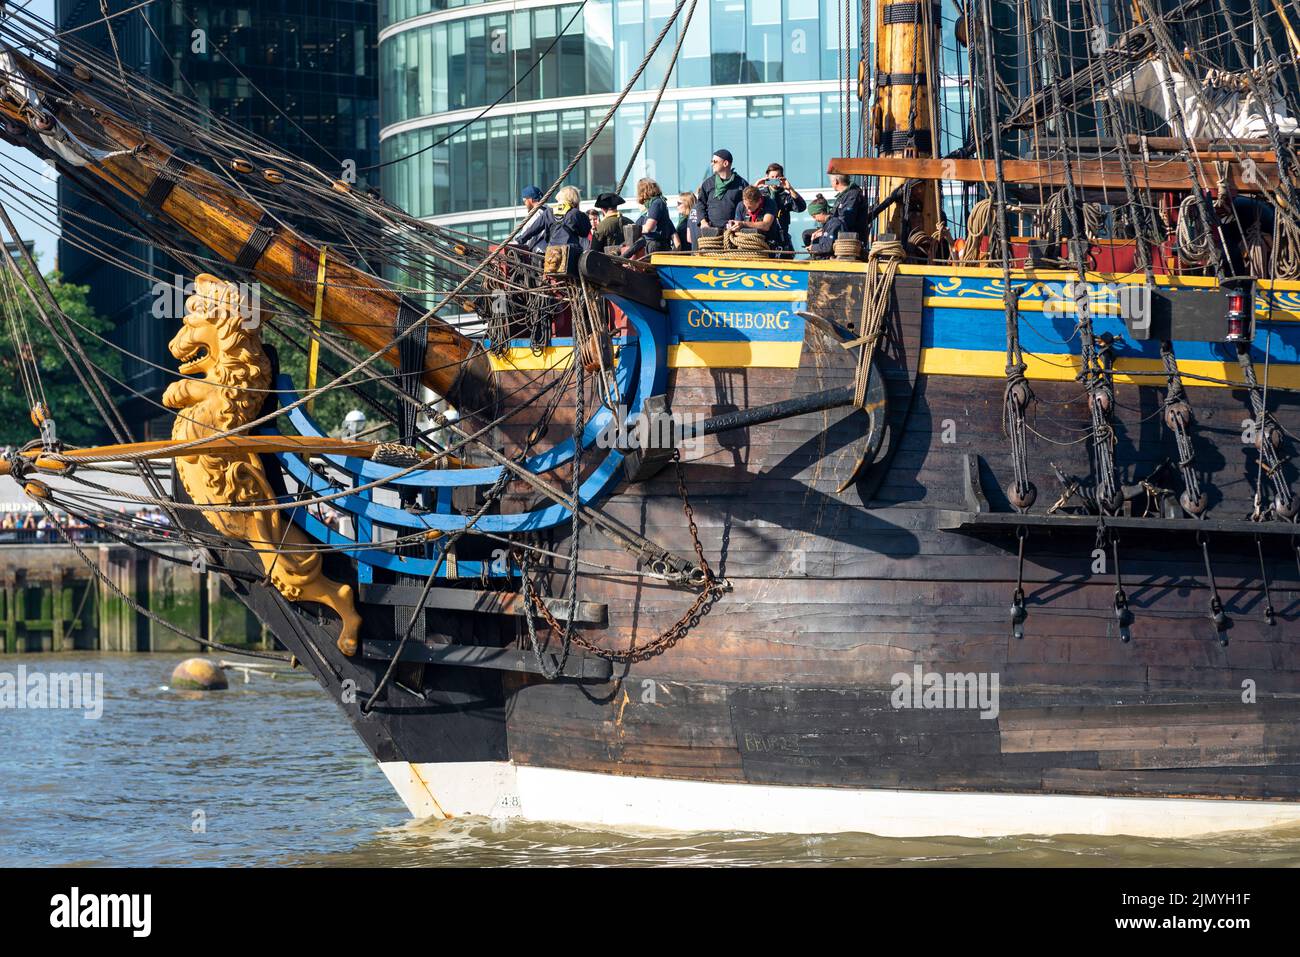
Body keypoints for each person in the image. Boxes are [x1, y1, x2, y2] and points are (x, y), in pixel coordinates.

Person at [695, 148, 748, 244]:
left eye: (714, 161)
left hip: (734, 234)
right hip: (712, 233)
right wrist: (703, 223)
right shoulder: (708, 183)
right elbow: (700, 204)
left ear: (725, 163)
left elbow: (748, 206)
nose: (712, 164)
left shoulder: (742, 183)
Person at [755, 162, 805, 251]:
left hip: (781, 239)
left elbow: (801, 207)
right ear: (767, 177)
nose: (774, 180)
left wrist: (790, 189)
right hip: (762, 239)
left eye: (777, 177)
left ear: (781, 177)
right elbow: (746, 204)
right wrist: (756, 185)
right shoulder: (760, 194)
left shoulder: (785, 195)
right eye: (772, 177)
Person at [635, 179, 675, 253]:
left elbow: (648, 228)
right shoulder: (656, 203)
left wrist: (634, 230)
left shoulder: (656, 203)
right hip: (655, 244)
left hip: (655, 245)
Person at [546, 185, 591, 251]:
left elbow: (533, 230)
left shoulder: (549, 212)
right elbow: (584, 233)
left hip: (552, 252)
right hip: (571, 251)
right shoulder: (577, 214)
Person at [515, 185, 550, 253]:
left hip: (538, 254)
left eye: (525, 201)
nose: (525, 204)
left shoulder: (536, 214)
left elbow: (528, 234)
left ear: (530, 200)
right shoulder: (548, 210)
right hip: (548, 252)